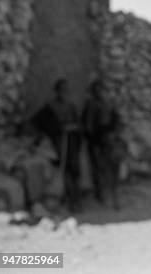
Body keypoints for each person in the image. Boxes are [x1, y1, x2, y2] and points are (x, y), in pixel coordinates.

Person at [33, 78, 83, 212]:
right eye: (62, 90)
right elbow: (42, 122)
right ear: (57, 92)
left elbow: (78, 124)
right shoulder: (50, 107)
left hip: (71, 143)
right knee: (62, 171)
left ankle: (76, 200)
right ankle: (63, 199)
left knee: (75, 171)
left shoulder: (71, 106)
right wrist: (59, 129)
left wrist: (73, 128)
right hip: (58, 144)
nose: (65, 93)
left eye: (66, 90)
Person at [82, 80, 123, 209]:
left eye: (101, 90)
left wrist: (113, 135)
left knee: (112, 171)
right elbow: (87, 126)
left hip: (109, 143)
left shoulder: (109, 105)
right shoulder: (91, 106)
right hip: (96, 143)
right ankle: (100, 195)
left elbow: (117, 123)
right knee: (97, 170)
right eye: (97, 90)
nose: (99, 93)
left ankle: (113, 197)